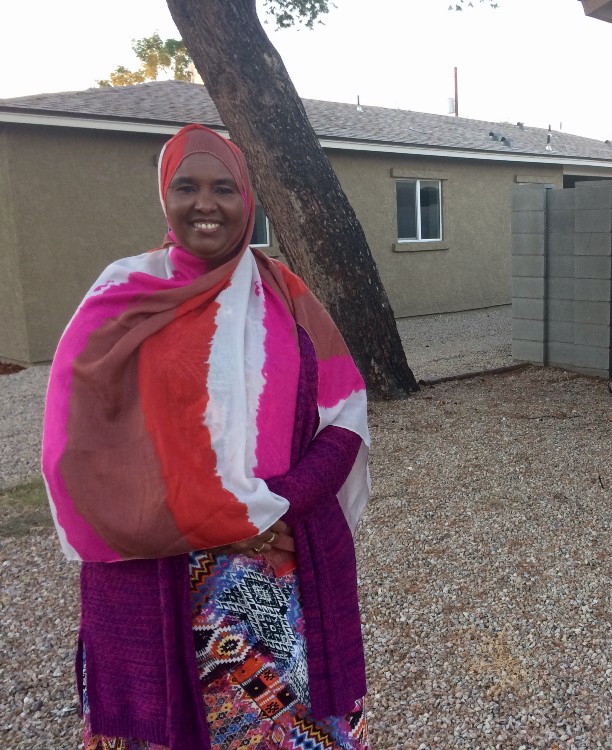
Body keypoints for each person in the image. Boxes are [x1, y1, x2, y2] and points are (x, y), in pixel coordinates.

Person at [41, 124, 372, 749]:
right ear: (164, 196)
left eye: (225, 188)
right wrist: (209, 514)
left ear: (248, 200)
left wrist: (282, 504)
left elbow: (345, 418)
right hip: (160, 577)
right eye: (186, 186)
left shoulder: (288, 299)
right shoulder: (122, 299)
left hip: (274, 584)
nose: (206, 204)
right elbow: (76, 452)